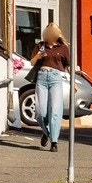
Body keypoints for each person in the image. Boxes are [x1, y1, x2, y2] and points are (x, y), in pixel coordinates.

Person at [30, 23, 70, 151]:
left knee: (55, 110)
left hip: (55, 78)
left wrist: (73, 82)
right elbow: (32, 62)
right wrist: (38, 56)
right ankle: (46, 132)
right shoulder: (40, 46)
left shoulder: (63, 48)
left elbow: (68, 66)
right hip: (42, 77)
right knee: (40, 112)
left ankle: (54, 141)